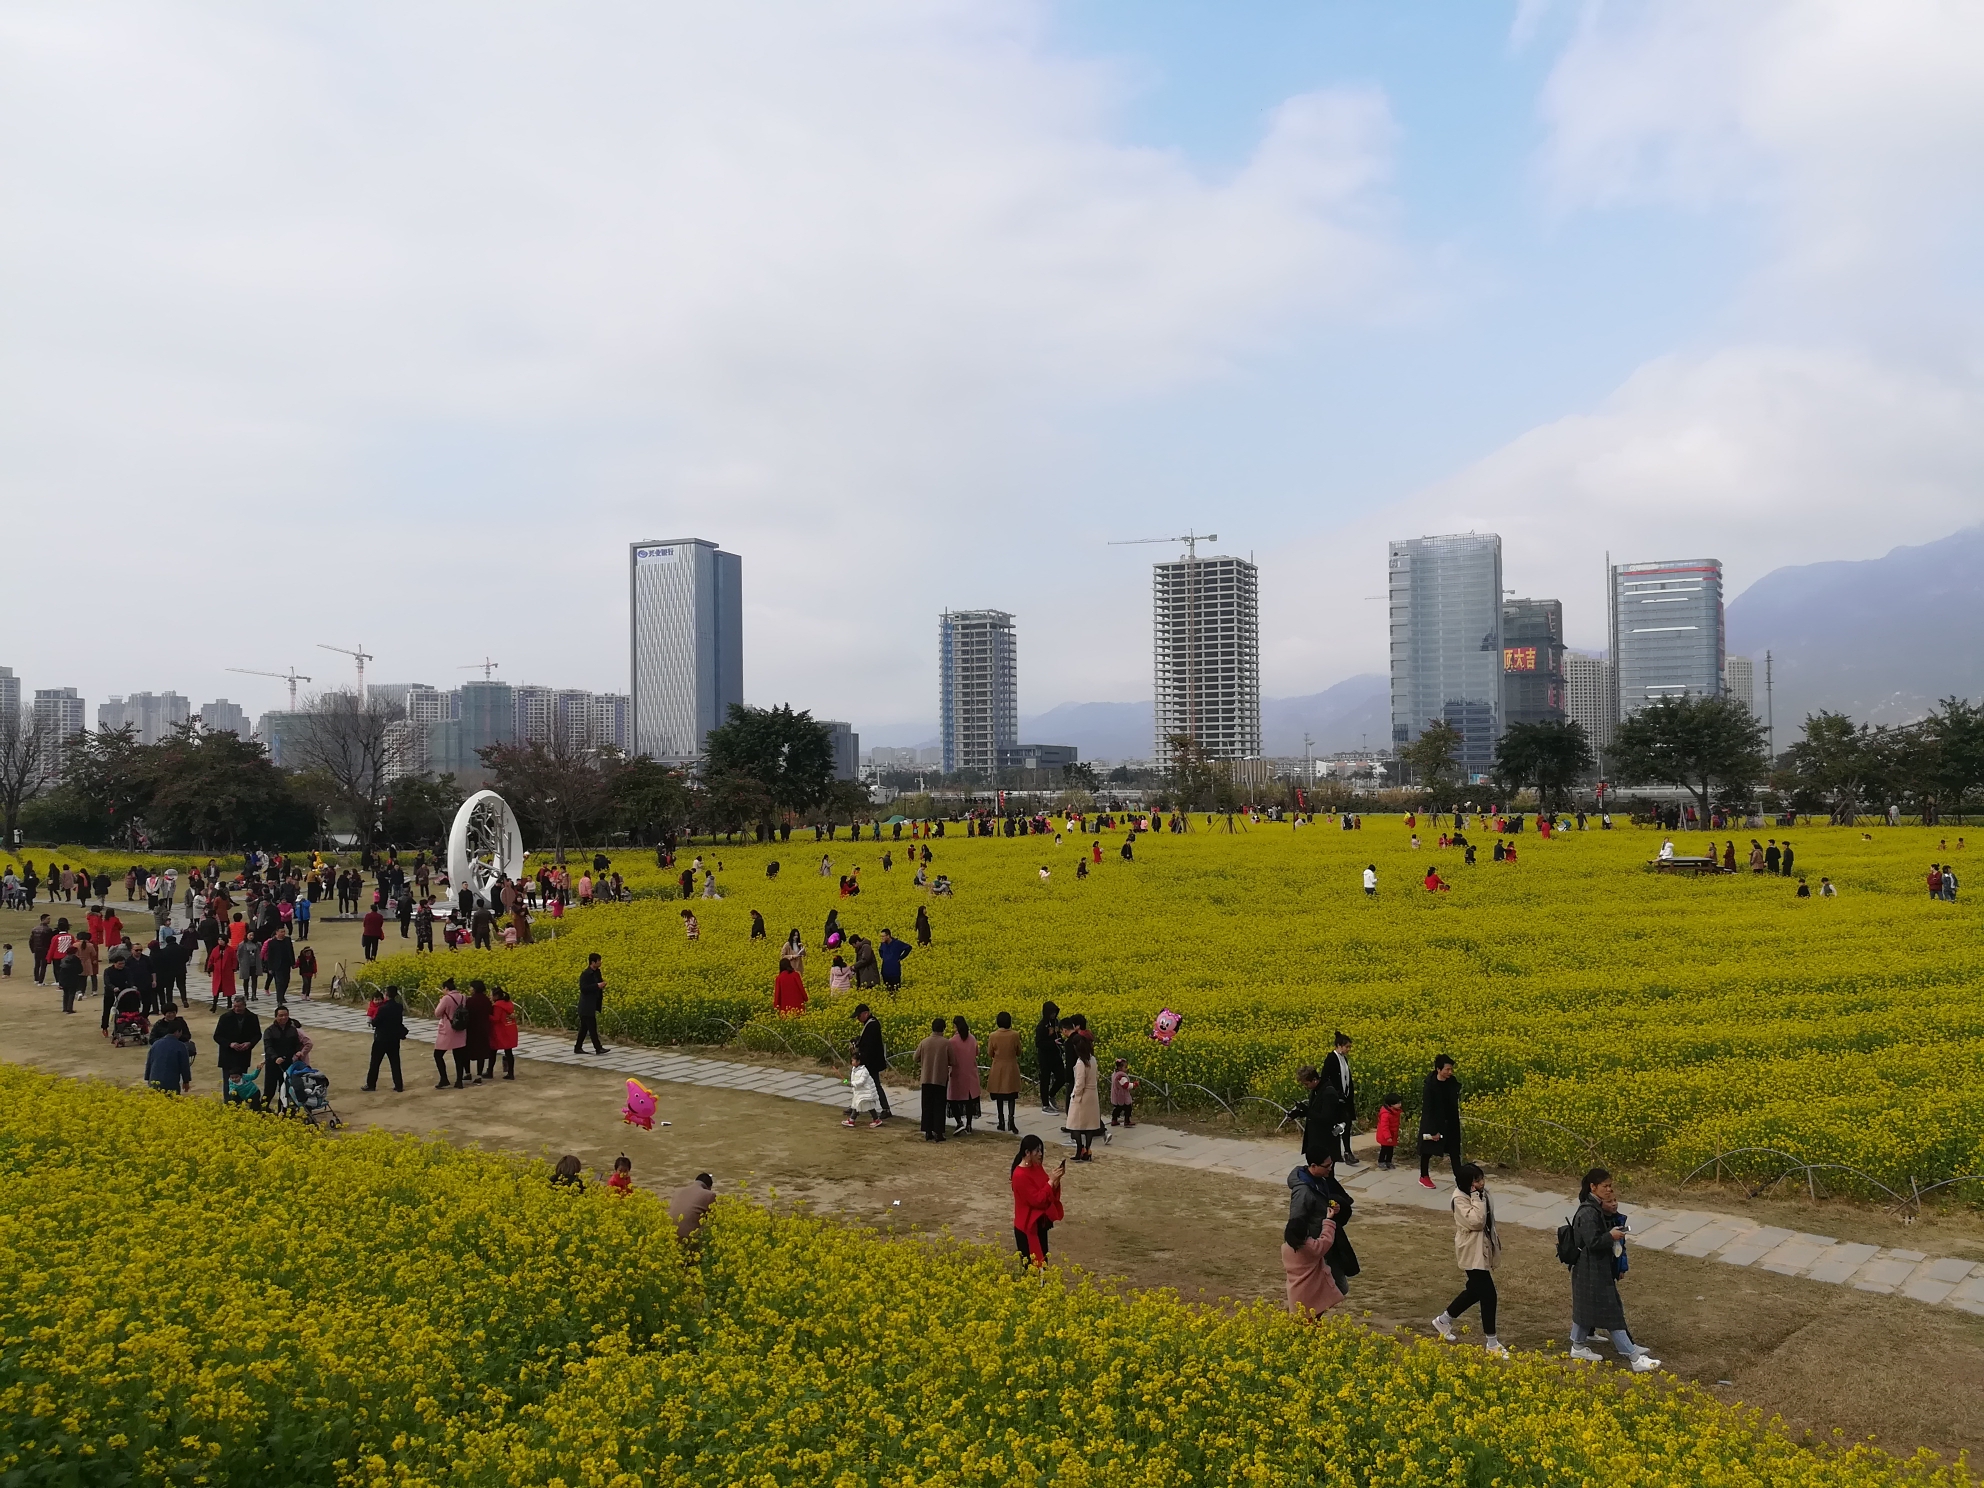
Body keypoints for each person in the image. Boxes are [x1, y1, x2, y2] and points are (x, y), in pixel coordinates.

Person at [1569, 1168, 1660, 1372]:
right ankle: (1634, 1358)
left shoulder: (1597, 1208)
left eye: (1610, 1186)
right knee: (1611, 1313)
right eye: (1605, 1186)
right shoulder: (1588, 1212)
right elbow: (1592, 1242)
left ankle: (1577, 1345)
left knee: (1586, 1310)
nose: (1609, 1190)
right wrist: (1611, 1236)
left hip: (1596, 1268)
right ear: (1593, 1187)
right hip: (1591, 1269)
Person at [1431, 1162, 1507, 1356]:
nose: (1481, 1183)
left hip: (1482, 1247)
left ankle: (1443, 1320)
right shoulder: (1460, 1199)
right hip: (1471, 1250)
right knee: (1488, 1294)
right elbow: (1477, 1221)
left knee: (1475, 1291)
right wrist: (1475, 1197)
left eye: (1482, 1179)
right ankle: (1492, 1343)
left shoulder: (1481, 1194)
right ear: (1468, 1183)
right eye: (1477, 1181)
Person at [1281, 1158, 1346, 1319]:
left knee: (1305, 1316)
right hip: (1309, 1291)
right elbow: (1325, 1242)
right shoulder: (1311, 1247)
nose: (1330, 1169)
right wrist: (1328, 1221)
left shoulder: (1287, 1248)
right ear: (1313, 1166)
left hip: (1297, 1292)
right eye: (1327, 1166)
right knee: (1311, 1314)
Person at [1010, 1133, 1065, 1267]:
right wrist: (1051, 1181)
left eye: (1041, 1150)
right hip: (1027, 1227)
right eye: (1037, 1151)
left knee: (1043, 1264)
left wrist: (1055, 1181)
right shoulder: (1019, 1175)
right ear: (1027, 1152)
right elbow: (1038, 1200)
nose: (1040, 1154)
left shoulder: (1036, 1167)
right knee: (1033, 1268)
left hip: (1040, 1224)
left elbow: (1046, 1189)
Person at [1418, 1054, 1462, 1188]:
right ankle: (1424, 1176)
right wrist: (1433, 1131)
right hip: (1433, 1123)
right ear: (1438, 1069)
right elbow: (1428, 1110)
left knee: (1455, 1151)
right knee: (1427, 1150)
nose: (1450, 1072)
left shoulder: (1452, 1082)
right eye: (1447, 1069)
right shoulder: (1430, 1086)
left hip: (1451, 1123)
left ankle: (1460, 1179)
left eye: (1451, 1069)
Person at [1062, 1031, 1104, 1161]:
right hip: (1092, 1095)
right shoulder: (1092, 1059)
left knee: (1075, 1124)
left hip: (1082, 1096)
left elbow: (1080, 1083)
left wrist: (1074, 1095)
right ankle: (1087, 1150)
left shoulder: (1081, 1062)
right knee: (1089, 1125)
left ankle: (1080, 1150)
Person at [1320, 1030, 1358, 1163]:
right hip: (1336, 1099)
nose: (1348, 1049)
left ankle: (1345, 1152)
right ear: (1339, 1046)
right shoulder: (1331, 1058)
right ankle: (1339, 1153)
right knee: (1339, 1126)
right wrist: (1335, 1093)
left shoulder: (1343, 1059)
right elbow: (1325, 1078)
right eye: (1347, 1046)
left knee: (1345, 1125)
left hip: (1345, 1099)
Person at [212, 993, 262, 1096]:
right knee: (228, 1082)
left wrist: (249, 1043)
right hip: (228, 1056)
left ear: (244, 1005)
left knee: (242, 1082)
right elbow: (217, 1036)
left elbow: (257, 1034)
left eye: (239, 1006)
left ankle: (241, 1103)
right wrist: (230, 1044)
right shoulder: (225, 1017)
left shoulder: (252, 1017)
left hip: (243, 1055)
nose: (237, 1009)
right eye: (235, 1006)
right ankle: (228, 1103)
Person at [262, 1005, 313, 1103]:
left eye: (286, 1015)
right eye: (281, 1015)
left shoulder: (292, 1029)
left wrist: (298, 1051)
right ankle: (263, 1110)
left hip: (288, 1063)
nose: (284, 1018)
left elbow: (296, 1044)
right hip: (273, 1064)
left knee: (286, 1090)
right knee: (269, 1089)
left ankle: (283, 1111)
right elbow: (268, 1047)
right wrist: (275, 1057)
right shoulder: (269, 1031)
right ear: (276, 1017)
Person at [364, 985, 408, 1091]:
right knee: (395, 1062)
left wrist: (371, 1021)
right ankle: (398, 1085)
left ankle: (371, 1084)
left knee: (375, 1062)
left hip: (381, 1039)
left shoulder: (382, 1008)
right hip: (394, 1038)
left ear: (386, 995)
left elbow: (376, 1022)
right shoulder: (399, 1007)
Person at [916, 1017, 952, 1141]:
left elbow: (915, 1057)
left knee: (926, 1106)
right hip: (940, 1080)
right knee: (939, 1106)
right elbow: (953, 1061)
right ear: (943, 1029)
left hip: (926, 1078)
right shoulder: (946, 1043)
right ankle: (939, 1133)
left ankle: (927, 1132)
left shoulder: (924, 1042)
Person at [852, 1003, 890, 1122]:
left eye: (859, 1016)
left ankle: (885, 1109)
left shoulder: (872, 1025)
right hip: (869, 1061)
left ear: (866, 1014)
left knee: (872, 1085)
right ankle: (855, 1107)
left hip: (871, 1062)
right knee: (865, 1085)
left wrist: (860, 1058)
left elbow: (869, 1046)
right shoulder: (870, 1024)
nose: (858, 1019)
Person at [986, 1011, 1023, 1132]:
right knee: (1012, 1095)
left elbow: (990, 1053)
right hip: (1011, 1067)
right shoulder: (1015, 1035)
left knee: (999, 1095)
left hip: (998, 1067)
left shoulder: (993, 1035)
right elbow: (1019, 1051)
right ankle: (1011, 1121)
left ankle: (1001, 1121)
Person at [947, 1015, 981, 1135]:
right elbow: (977, 1052)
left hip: (957, 1074)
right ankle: (969, 1124)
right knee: (969, 1100)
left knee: (953, 1099)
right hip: (971, 1074)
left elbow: (949, 1058)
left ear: (955, 1026)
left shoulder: (952, 1041)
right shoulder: (972, 1039)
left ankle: (959, 1122)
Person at [433, 979, 471, 1089]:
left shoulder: (446, 998)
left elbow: (437, 1013)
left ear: (446, 988)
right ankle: (459, 1081)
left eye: (443, 989)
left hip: (448, 1030)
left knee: (438, 1054)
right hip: (461, 1029)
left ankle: (444, 1079)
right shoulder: (463, 996)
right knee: (458, 1056)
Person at [1035, 1000, 1066, 1114]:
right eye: (1051, 1012)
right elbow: (1038, 1043)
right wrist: (1053, 1043)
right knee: (1045, 1080)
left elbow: (1059, 1035)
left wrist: (1061, 1042)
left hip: (1056, 1056)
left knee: (1062, 1077)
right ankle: (1045, 1105)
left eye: (1055, 1012)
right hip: (1045, 1057)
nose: (1053, 1015)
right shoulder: (1041, 1026)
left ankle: (1051, 1094)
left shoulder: (1056, 1022)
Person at [144, 1021, 193, 1093]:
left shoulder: (156, 1044)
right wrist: (186, 1081)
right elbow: (184, 1066)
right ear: (177, 1031)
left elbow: (149, 1063)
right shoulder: (180, 1046)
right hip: (170, 1083)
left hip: (154, 1081)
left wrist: (148, 1078)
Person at [575, 953, 609, 1055]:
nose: (600, 963)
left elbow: (598, 983)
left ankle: (577, 1048)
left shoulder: (597, 972)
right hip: (586, 1005)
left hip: (592, 1004)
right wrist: (597, 986)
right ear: (593, 962)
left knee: (584, 1029)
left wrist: (602, 985)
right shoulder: (585, 974)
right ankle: (598, 1048)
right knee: (592, 1027)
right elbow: (583, 989)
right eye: (599, 961)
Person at [670, 1173, 717, 1240]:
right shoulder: (710, 1195)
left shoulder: (677, 1192)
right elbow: (714, 1219)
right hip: (691, 1240)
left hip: (671, 1236)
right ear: (709, 1187)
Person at [464, 979, 494, 1083]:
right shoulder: (486, 1000)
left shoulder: (470, 1000)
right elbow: (490, 1012)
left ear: (475, 988)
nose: (470, 989)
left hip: (471, 1029)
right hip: (484, 1029)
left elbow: (466, 1013)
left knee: (466, 1051)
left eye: (471, 987)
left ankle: (467, 1073)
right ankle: (479, 1075)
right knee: (481, 1053)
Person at [1374, 1092, 1403, 1169]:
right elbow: (1384, 1127)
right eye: (1398, 1103)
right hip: (1385, 1136)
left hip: (1392, 1135)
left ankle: (1388, 1161)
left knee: (1391, 1149)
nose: (1400, 1105)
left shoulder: (1395, 1111)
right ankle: (1381, 1161)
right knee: (1384, 1149)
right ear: (1391, 1104)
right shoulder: (1386, 1114)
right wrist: (1388, 1136)